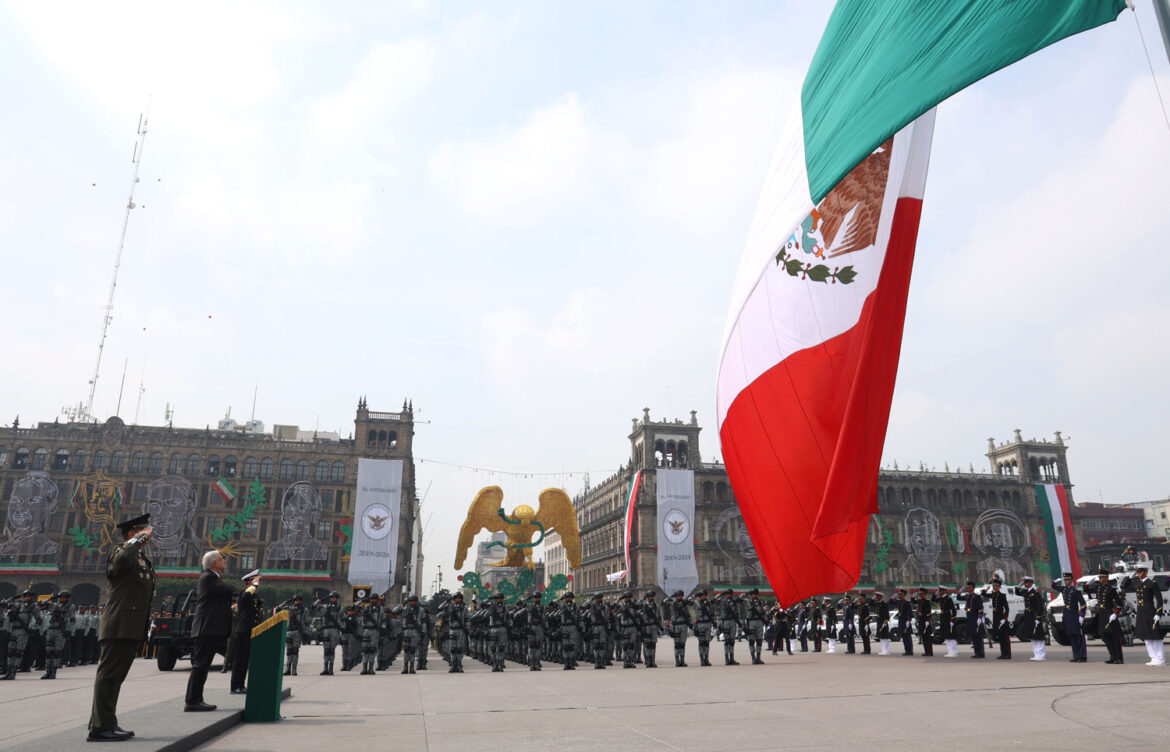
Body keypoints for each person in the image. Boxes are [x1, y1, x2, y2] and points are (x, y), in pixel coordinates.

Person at [87, 513, 154, 742]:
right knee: (108, 676)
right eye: (143, 530)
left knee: (116, 678)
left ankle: (107, 722)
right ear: (131, 533)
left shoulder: (141, 559)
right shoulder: (121, 552)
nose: (149, 534)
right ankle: (99, 727)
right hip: (118, 625)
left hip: (130, 626)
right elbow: (124, 556)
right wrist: (136, 541)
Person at [185, 550, 235, 711]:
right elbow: (228, 589)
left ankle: (196, 699)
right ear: (213, 563)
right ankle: (193, 701)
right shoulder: (208, 578)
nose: (224, 561)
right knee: (200, 665)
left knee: (203, 665)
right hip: (206, 629)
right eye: (222, 559)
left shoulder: (213, 578)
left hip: (210, 629)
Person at [230, 570, 262, 693]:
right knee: (239, 660)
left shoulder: (253, 595)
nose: (258, 583)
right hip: (243, 631)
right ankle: (235, 686)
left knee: (244, 661)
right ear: (250, 581)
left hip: (250, 630)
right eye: (256, 581)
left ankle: (241, 685)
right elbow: (245, 597)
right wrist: (253, 586)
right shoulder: (244, 593)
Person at [3, 589, 43, 680]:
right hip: (14, 630)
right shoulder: (18, 605)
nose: (25, 597)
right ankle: (8, 672)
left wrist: (32, 628)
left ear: (32, 597)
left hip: (23, 631)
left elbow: (39, 620)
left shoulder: (34, 607)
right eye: (24, 596)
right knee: (10, 652)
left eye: (27, 596)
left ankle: (13, 673)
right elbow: (10, 618)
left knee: (18, 652)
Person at [1132, 561, 1165, 666]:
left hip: (1150, 612)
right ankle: (1153, 658)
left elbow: (1159, 599)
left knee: (1155, 636)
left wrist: (1158, 613)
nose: (1139, 574)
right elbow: (1125, 585)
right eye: (1137, 572)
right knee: (1146, 636)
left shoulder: (1152, 583)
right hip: (1141, 613)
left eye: (1140, 572)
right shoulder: (1138, 584)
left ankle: (1161, 659)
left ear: (1145, 572)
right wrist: (1131, 575)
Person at [1051, 572, 1087, 662]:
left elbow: (1083, 604)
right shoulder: (1064, 590)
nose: (1066, 582)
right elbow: (1054, 586)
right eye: (1065, 580)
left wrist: (1082, 616)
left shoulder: (1075, 591)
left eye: (1067, 580)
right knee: (1071, 636)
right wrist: (1055, 581)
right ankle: (1076, 655)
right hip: (1067, 614)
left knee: (1078, 635)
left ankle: (1082, 656)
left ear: (1071, 580)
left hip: (1074, 614)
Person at [42, 589, 75, 679]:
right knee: (49, 652)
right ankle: (47, 672)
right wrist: (53, 597)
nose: (61, 599)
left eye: (63, 597)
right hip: (51, 630)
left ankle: (53, 672)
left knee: (56, 652)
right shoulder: (55, 605)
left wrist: (68, 631)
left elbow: (72, 620)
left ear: (67, 598)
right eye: (60, 597)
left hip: (60, 631)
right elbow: (43, 603)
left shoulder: (70, 607)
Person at [1095, 569, 1124, 664]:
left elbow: (1119, 604)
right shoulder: (1098, 588)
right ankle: (1112, 656)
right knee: (1106, 637)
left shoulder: (1111, 589)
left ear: (1106, 578)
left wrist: (1115, 614)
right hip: (1102, 614)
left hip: (1109, 613)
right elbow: (1087, 590)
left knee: (1114, 637)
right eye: (1099, 577)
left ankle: (1119, 658)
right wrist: (1087, 584)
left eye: (1101, 577)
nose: (1099, 579)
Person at [1018, 576, 1047, 661]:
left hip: (1035, 616)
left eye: (1027, 582)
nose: (1025, 584)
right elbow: (1017, 592)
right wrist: (1019, 585)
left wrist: (1038, 618)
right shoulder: (1026, 592)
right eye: (1025, 583)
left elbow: (1039, 607)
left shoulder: (1036, 593)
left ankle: (1041, 655)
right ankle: (1036, 654)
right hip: (1029, 616)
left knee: (1038, 636)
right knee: (1032, 636)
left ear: (1031, 583)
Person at [282, 594, 308, 676]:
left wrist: (305, 632)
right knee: (289, 651)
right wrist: (285, 602)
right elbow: (278, 609)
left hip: (298, 631)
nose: (297, 601)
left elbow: (306, 621)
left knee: (295, 651)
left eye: (299, 600)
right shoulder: (289, 608)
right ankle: (288, 669)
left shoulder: (304, 609)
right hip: (289, 631)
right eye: (296, 600)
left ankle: (294, 669)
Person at [443, 592, 469, 673]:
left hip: (461, 630)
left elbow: (467, 619)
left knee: (459, 649)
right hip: (452, 630)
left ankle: (459, 665)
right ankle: (453, 665)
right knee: (452, 649)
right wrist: (448, 601)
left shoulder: (464, 608)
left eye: (459, 598)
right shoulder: (450, 607)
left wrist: (467, 629)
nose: (458, 599)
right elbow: (441, 609)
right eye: (456, 598)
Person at [986, 579, 1011, 660]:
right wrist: (986, 589)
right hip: (996, 619)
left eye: (996, 586)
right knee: (1000, 637)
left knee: (1005, 638)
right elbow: (984, 594)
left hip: (1001, 619)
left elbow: (1007, 608)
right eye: (993, 586)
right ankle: (1003, 654)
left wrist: (1004, 618)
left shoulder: (1002, 595)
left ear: (999, 586)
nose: (994, 587)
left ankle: (1007, 654)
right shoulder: (993, 595)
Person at [667, 590, 692, 666]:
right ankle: (677, 661)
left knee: (682, 644)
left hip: (684, 625)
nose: (680, 597)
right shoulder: (673, 604)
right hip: (676, 626)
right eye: (678, 596)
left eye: (681, 595)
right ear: (676, 596)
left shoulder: (684, 605)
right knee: (677, 644)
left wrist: (690, 623)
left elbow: (687, 615)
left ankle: (682, 660)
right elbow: (667, 607)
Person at [717, 589, 742, 665]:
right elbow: (714, 600)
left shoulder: (733, 601)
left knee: (732, 641)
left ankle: (732, 658)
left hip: (733, 621)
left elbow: (740, 602)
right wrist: (721, 593)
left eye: (730, 594)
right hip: (725, 622)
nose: (729, 595)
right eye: (727, 594)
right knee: (727, 641)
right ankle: (727, 659)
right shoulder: (722, 601)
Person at [558, 592, 581, 670]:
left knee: (572, 646)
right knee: (565, 646)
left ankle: (571, 663)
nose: (568, 599)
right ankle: (566, 663)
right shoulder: (562, 606)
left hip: (573, 627)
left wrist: (582, 628)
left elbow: (580, 617)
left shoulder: (576, 606)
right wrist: (560, 598)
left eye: (570, 597)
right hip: (564, 627)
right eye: (567, 597)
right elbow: (554, 603)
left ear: (572, 598)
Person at [744, 588, 768, 664]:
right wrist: (746, 593)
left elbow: (763, 612)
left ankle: (758, 658)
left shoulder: (760, 602)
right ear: (751, 595)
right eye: (753, 594)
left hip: (759, 622)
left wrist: (766, 620)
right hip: (751, 622)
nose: (755, 595)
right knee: (751, 641)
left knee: (759, 640)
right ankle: (753, 658)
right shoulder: (748, 601)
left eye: (756, 594)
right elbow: (740, 597)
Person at [962, 581, 985, 658]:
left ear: (972, 588)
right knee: (973, 636)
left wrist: (980, 617)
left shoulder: (976, 597)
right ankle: (976, 652)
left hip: (975, 618)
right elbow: (959, 597)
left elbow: (980, 608)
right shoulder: (968, 596)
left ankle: (981, 653)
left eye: (968, 587)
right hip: (970, 618)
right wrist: (959, 591)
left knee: (978, 636)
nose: (967, 589)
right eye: (967, 587)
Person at [693, 590, 716, 666]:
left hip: (708, 624)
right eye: (702, 595)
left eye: (705, 595)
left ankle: (706, 659)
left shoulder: (709, 604)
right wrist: (696, 595)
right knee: (701, 643)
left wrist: (713, 622)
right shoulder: (696, 603)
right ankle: (702, 660)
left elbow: (712, 614)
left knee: (707, 643)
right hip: (700, 624)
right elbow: (688, 601)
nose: (704, 596)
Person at [639, 590, 660, 668]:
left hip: (654, 626)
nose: (651, 598)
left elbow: (658, 617)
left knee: (653, 644)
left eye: (652, 596)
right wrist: (643, 599)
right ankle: (648, 660)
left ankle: (652, 661)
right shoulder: (644, 605)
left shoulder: (656, 606)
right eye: (650, 596)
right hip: (647, 626)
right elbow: (638, 607)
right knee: (647, 644)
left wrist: (658, 627)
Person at [936, 586, 958, 658]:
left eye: (941, 591)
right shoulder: (942, 598)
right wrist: (935, 593)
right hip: (943, 618)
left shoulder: (948, 599)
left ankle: (954, 652)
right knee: (946, 635)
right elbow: (933, 600)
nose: (940, 592)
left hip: (948, 618)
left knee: (951, 635)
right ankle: (950, 651)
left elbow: (953, 610)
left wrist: (952, 620)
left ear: (945, 591)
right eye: (939, 591)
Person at [915, 589, 933, 657]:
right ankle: (926, 651)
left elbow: (929, 612)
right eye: (919, 593)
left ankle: (930, 652)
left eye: (921, 593)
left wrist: (928, 621)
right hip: (921, 621)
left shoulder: (927, 602)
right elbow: (913, 600)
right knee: (923, 637)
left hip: (925, 621)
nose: (920, 595)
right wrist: (913, 596)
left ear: (925, 594)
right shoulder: (920, 601)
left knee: (927, 638)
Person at [896, 588, 914, 656]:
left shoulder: (906, 603)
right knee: (904, 637)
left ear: (904, 595)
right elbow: (891, 602)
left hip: (906, 621)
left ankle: (910, 651)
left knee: (908, 637)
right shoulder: (899, 602)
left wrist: (909, 620)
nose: (899, 595)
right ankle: (906, 650)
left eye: (901, 594)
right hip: (901, 621)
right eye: (899, 594)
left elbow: (909, 612)